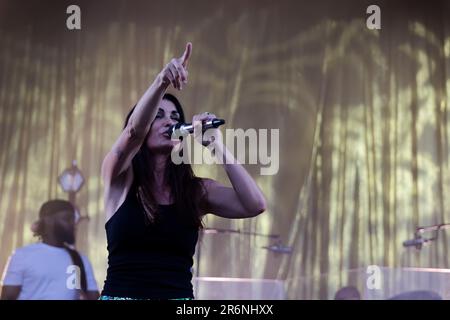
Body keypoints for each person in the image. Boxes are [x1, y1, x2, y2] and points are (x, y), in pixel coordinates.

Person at [100, 42, 267, 300]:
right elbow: (134, 132)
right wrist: (161, 81)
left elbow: (254, 205)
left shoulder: (196, 190)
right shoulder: (119, 177)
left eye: (175, 117)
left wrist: (217, 145)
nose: (169, 121)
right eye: (158, 115)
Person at [1, 199, 99, 300]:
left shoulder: (79, 260)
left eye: (73, 219)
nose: (73, 224)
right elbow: (8, 297)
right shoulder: (22, 256)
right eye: (67, 219)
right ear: (48, 220)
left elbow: (93, 297)